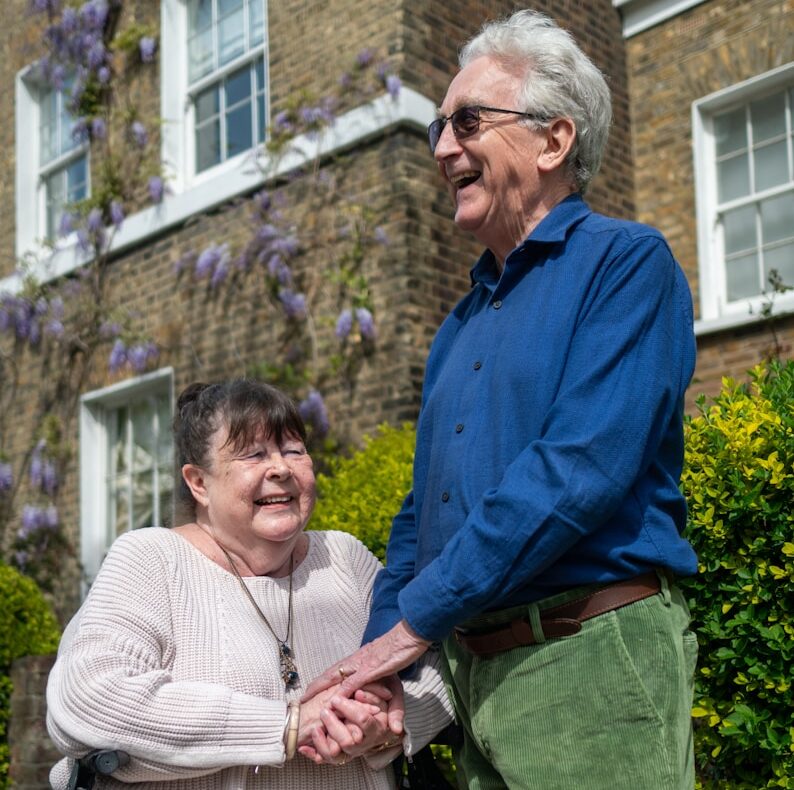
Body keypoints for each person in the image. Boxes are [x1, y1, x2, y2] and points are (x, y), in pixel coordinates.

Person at [303, 9, 699, 790]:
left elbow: (577, 470)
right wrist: (380, 666)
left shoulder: (626, 265)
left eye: (469, 121)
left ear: (554, 141)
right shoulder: (457, 324)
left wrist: (413, 628)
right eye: (437, 129)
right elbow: (423, 515)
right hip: (473, 677)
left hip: (588, 659)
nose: (445, 147)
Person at [46, 379, 452, 789]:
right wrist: (289, 725)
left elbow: (439, 664)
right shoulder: (152, 560)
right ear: (198, 483)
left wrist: (387, 724)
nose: (280, 468)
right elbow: (88, 698)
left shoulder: (343, 558)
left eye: (294, 450)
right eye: (253, 454)